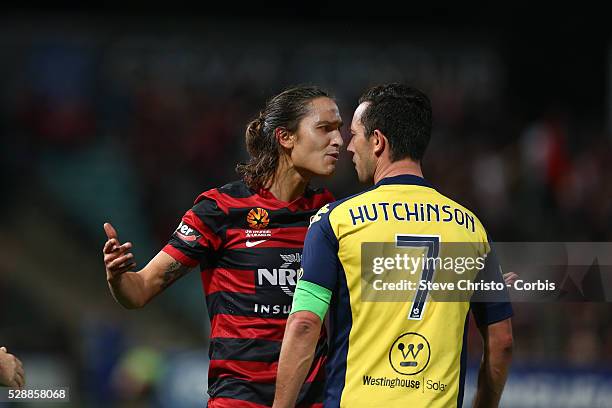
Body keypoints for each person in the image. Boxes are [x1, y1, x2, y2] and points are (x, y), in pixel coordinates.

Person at [273, 84, 513, 408]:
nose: (347, 147)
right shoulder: (471, 230)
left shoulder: (336, 221)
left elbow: (304, 324)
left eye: (355, 134)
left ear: (377, 141)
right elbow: (502, 342)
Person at [103, 86, 344, 407]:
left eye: (339, 130)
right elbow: (139, 290)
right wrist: (118, 276)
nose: (339, 141)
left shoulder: (330, 214)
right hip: (238, 400)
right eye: (325, 129)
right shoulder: (221, 209)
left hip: (310, 401)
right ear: (286, 138)